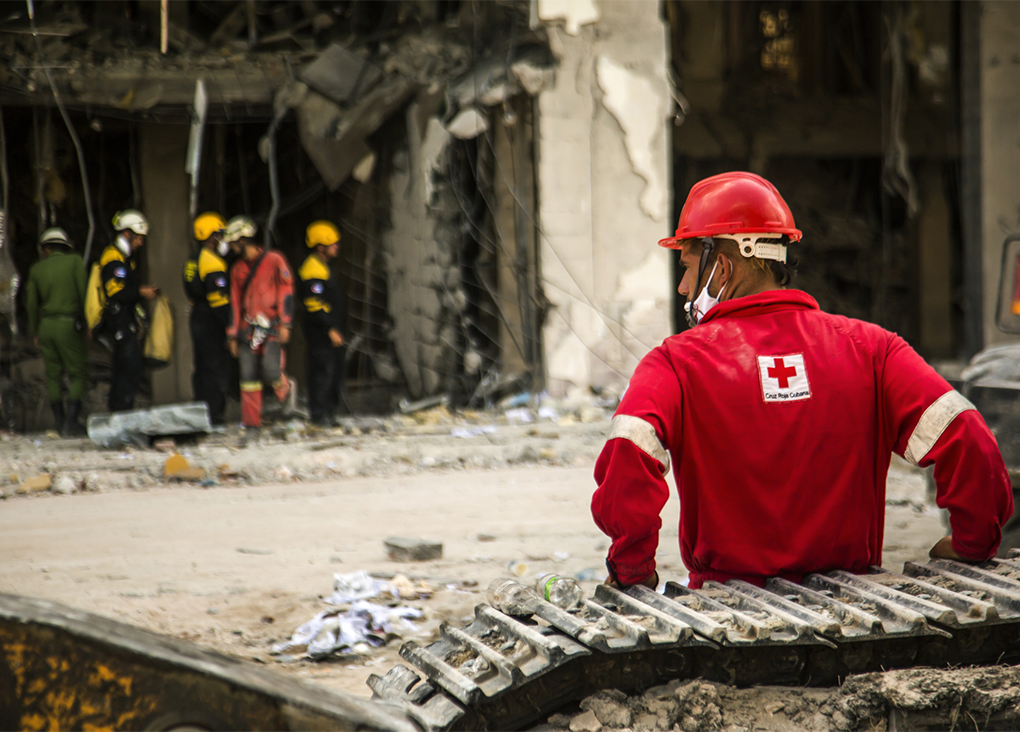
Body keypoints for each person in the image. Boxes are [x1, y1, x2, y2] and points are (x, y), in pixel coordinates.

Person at [591, 171, 1013, 591]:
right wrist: (972, 541)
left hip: (726, 609)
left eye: (686, 267)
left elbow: (627, 456)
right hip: (854, 607)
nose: (684, 287)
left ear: (721, 266)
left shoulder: (674, 362)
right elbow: (966, 434)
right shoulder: (873, 349)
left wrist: (633, 568)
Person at [224, 216, 295, 430]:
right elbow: (235, 303)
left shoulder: (274, 260)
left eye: (233, 242)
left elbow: (286, 292)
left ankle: (286, 388)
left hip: (272, 326)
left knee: (272, 371)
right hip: (247, 330)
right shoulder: (237, 269)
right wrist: (232, 335)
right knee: (248, 378)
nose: (232, 247)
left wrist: (286, 323)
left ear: (243, 240)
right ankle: (251, 422)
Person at [24, 227, 88, 435]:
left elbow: (31, 304)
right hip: (67, 325)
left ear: (46, 249)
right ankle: (71, 422)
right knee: (78, 373)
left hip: (46, 327)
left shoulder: (36, 269)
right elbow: (84, 294)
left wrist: (35, 331)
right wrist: (88, 323)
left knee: (53, 376)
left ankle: (59, 422)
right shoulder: (75, 262)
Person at [98, 209, 158, 412]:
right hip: (118, 321)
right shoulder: (113, 258)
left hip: (125, 319)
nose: (141, 243)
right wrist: (140, 291)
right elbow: (115, 292)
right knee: (127, 368)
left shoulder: (124, 259)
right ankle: (120, 412)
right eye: (139, 238)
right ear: (127, 233)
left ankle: (122, 412)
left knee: (128, 368)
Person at [183, 212, 233, 425]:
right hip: (212, 320)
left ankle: (200, 413)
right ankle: (215, 416)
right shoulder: (213, 263)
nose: (223, 239)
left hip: (198, 317)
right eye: (220, 234)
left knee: (201, 368)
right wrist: (230, 327)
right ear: (211, 236)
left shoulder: (192, 260)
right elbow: (219, 302)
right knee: (215, 368)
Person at [299, 220, 350, 426]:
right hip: (320, 332)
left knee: (334, 372)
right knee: (322, 372)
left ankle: (329, 413)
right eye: (332, 244)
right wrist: (330, 329)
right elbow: (314, 306)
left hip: (330, 329)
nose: (337, 247)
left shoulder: (323, 266)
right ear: (320, 247)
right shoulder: (312, 269)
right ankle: (319, 416)